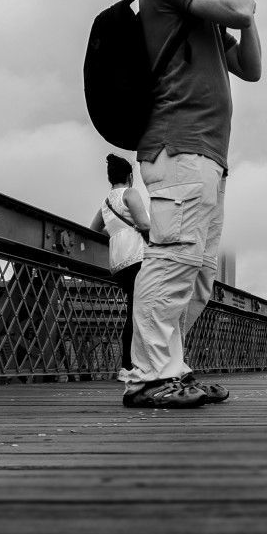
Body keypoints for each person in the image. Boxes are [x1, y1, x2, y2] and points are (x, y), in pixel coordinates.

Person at [122, 0, 266, 409]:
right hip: (178, 144)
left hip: (206, 154)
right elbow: (238, 6)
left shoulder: (203, 11)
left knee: (200, 271)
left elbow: (250, 68)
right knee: (174, 258)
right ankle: (148, 376)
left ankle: (170, 368)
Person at [88, 155, 150, 372]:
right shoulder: (131, 193)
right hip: (137, 258)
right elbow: (143, 223)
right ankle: (132, 366)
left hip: (119, 263)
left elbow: (94, 230)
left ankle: (130, 364)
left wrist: (117, 232)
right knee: (141, 313)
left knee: (134, 311)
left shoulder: (106, 203)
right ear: (130, 176)